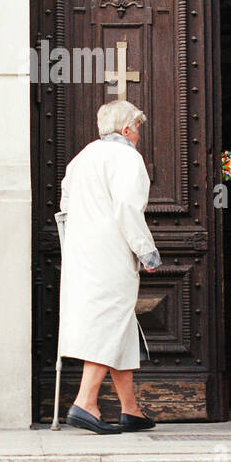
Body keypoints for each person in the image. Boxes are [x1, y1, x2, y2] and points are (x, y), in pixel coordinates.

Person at [57, 99, 162, 434]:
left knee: (120, 323)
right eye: (138, 129)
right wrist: (146, 251)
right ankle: (85, 402)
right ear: (127, 129)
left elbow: (65, 207)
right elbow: (128, 209)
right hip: (111, 253)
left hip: (81, 253)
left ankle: (130, 409)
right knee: (110, 322)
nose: (138, 137)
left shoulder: (82, 157)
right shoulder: (128, 158)